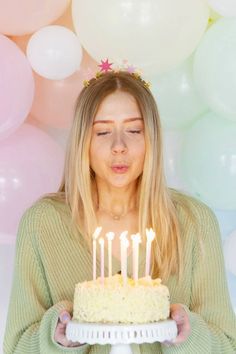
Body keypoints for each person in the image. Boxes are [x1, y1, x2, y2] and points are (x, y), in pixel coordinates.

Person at [3, 68, 236, 354]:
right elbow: (16, 348)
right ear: (82, 142)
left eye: (134, 130)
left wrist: (189, 333)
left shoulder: (194, 221)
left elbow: (226, 346)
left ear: (152, 138)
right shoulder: (43, 223)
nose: (119, 147)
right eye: (102, 132)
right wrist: (58, 337)